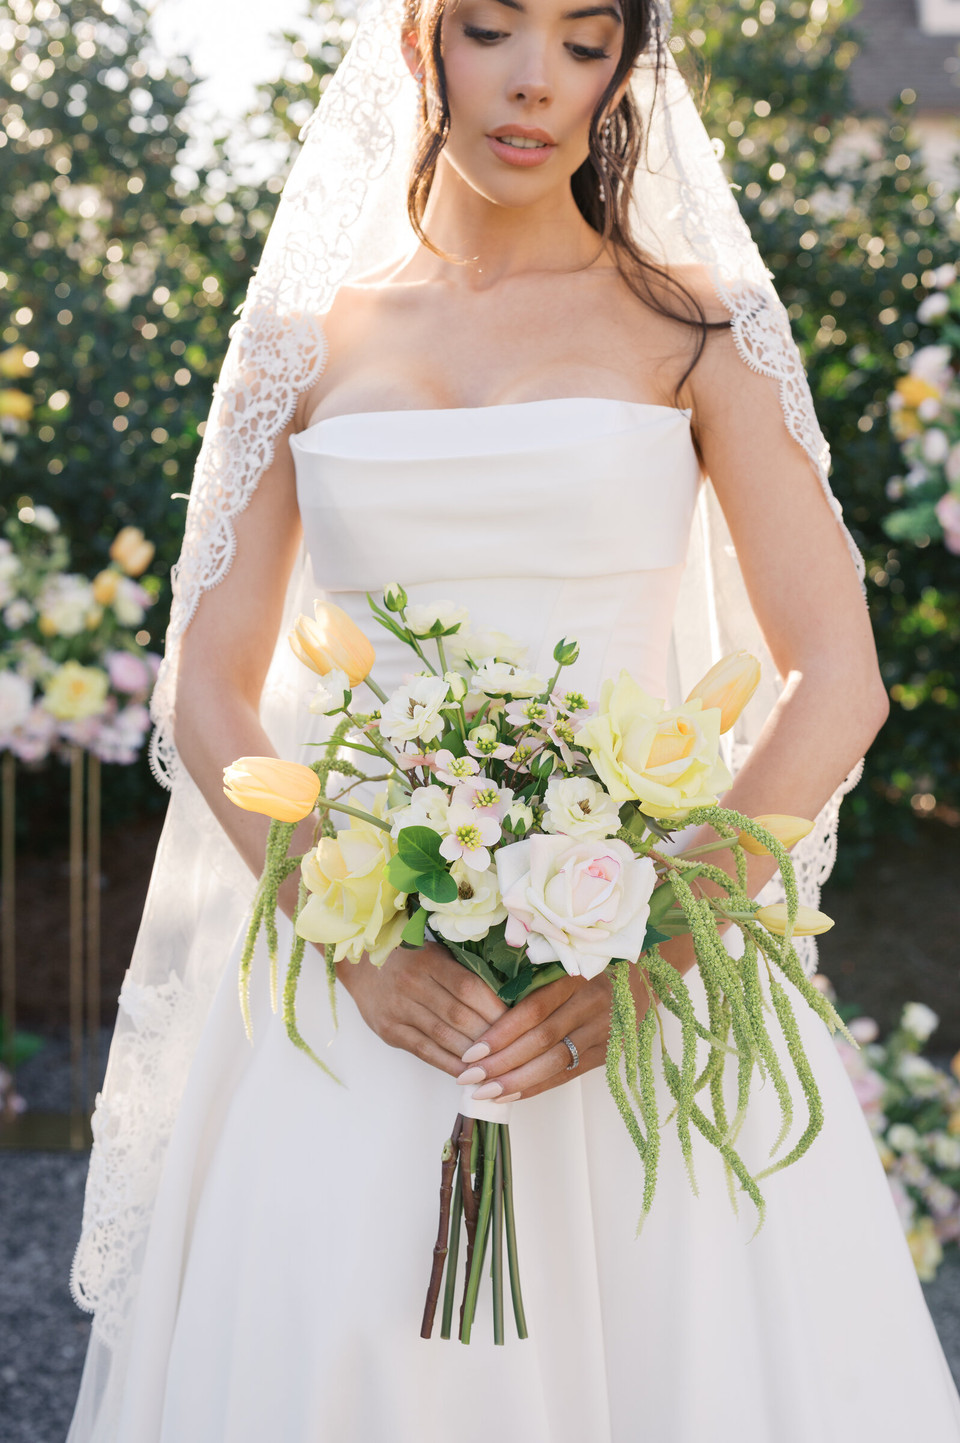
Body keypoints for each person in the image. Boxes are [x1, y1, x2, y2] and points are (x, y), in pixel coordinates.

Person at [66, 0, 960, 1437]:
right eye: (491, 29)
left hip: (625, 974)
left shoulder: (693, 330)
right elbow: (213, 684)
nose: (537, 81)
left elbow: (838, 680)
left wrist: (656, 946)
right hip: (370, 981)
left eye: (586, 40)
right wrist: (341, 931)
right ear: (421, 41)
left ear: (625, 67)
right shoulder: (304, 341)